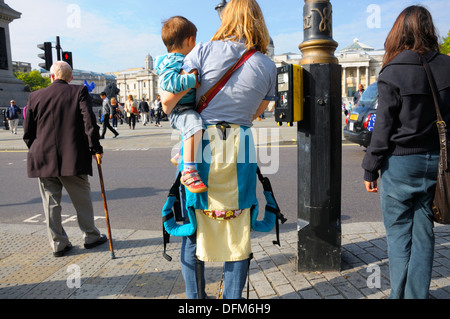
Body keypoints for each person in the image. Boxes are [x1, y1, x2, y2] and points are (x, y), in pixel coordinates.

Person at [161, 0, 277, 299]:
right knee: (237, 229)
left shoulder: (200, 52)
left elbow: (171, 99)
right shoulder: (266, 64)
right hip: (240, 150)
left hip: (201, 146)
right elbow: (257, 112)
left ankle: (196, 299)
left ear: (225, 18)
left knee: (192, 225)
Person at [362, 5, 450, 299]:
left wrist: (370, 167)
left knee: (399, 233)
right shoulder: (447, 66)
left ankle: (397, 295)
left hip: (399, 163)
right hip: (435, 162)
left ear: (400, 32)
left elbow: (383, 127)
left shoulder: (394, 70)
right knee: (424, 232)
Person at [23, 61, 108, 257]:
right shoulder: (79, 92)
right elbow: (89, 121)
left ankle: (58, 243)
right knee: (82, 198)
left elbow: (28, 131)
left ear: (51, 76)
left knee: (51, 202)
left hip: (43, 157)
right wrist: (95, 147)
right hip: (73, 155)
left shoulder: (35, 96)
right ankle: (91, 236)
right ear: (70, 78)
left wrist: (36, 148)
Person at [155, 16, 206, 193]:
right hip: (180, 109)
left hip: (181, 107)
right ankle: (189, 171)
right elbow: (169, 83)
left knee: (194, 125)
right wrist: (192, 80)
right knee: (195, 125)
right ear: (190, 40)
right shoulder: (174, 60)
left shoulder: (175, 58)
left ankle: (182, 154)